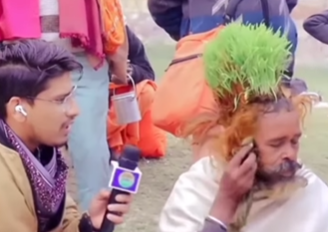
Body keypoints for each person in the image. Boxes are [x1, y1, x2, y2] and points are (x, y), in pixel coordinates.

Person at [158, 23, 328, 232]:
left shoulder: (308, 191)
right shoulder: (197, 190)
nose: (291, 154)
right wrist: (224, 206)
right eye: (276, 144)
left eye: (294, 141)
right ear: (239, 143)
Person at [0, 0, 129, 210]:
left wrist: (119, 60)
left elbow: (110, 11)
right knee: (15, 148)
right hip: (19, 60)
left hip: (82, 60)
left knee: (90, 149)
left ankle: (94, 222)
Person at [147, 0, 298, 77]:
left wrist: (194, 35)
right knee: (268, 118)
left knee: (211, 124)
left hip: (207, 48)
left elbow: (161, 7)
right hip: (268, 49)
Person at [108, 26, 167, 159]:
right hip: (92, 96)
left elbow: (148, 73)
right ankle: (106, 142)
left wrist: (129, 71)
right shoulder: (80, 34)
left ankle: (123, 143)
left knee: (147, 91)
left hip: (122, 96)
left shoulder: (121, 31)